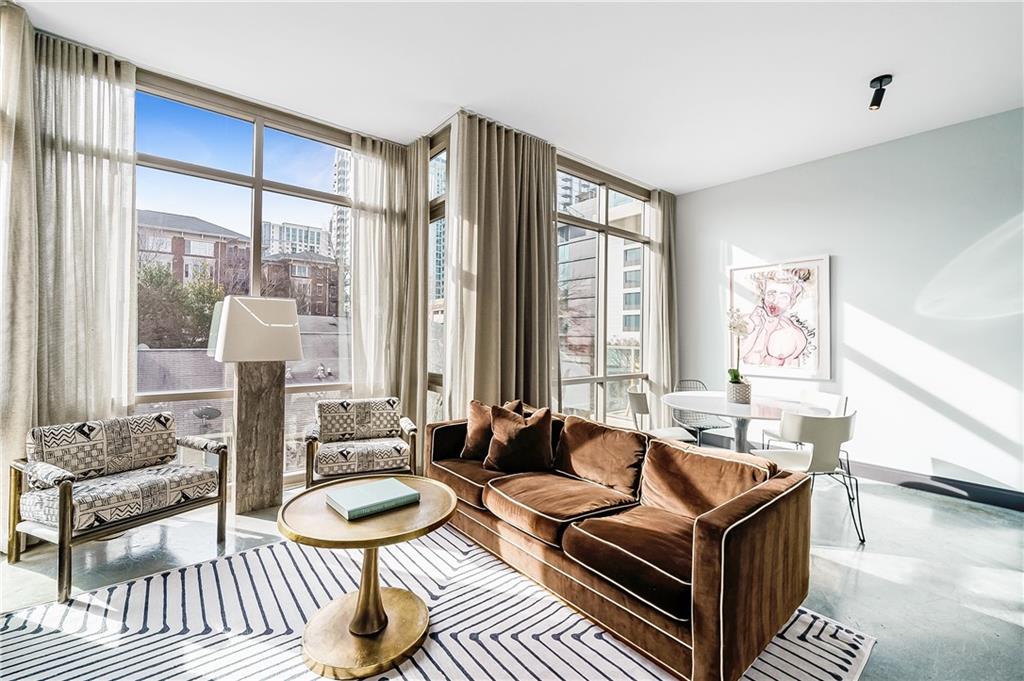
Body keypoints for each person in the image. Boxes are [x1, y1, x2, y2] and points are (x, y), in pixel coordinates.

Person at [739, 268, 811, 367]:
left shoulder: (794, 334)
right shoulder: (748, 321)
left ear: (791, 302)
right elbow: (735, 356)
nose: (775, 301)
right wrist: (756, 329)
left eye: (784, 296)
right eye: (771, 294)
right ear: (763, 295)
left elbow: (793, 369)